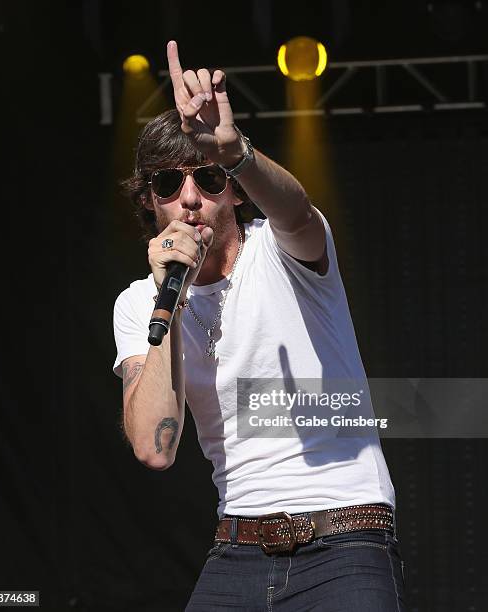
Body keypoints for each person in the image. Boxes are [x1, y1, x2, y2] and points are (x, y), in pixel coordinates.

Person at [113, 40, 406, 611]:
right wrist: (167, 303)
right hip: (238, 549)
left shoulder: (282, 251)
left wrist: (236, 151)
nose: (191, 199)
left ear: (236, 193)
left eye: (211, 179)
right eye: (170, 185)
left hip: (345, 536)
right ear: (150, 202)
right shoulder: (139, 303)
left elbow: (295, 208)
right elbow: (154, 446)